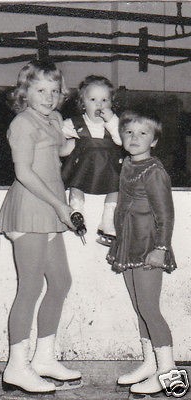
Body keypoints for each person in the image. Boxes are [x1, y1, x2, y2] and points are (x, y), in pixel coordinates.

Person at [0, 60, 81, 394]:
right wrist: (61, 205)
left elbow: (59, 151)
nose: (48, 97)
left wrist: (77, 140)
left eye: (54, 91)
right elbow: (24, 172)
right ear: (25, 92)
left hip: (50, 209)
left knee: (60, 282)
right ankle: (16, 367)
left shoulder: (55, 119)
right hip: (30, 208)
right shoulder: (22, 123)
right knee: (29, 288)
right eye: (40, 90)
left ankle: (44, 358)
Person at [107, 107, 177, 395]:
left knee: (150, 308)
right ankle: (151, 363)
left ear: (155, 141)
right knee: (139, 308)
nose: (134, 137)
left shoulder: (154, 171)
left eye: (143, 133)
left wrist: (160, 248)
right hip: (129, 244)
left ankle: (169, 374)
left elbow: (166, 214)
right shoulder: (128, 164)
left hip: (149, 246)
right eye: (129, 132)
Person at [61, 75, 122, 246]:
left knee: (117, 187)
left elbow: (120, 140)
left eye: (105, 100)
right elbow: (56, 134)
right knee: (76, 184)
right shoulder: (74, 123)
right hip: (83, 168)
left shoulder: (114, 123)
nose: (99, 104)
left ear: (111, 103)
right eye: (93, 99)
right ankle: (76, 212)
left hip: (108, 169)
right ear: (82, 102)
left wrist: (110, 120)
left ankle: (108, 221)